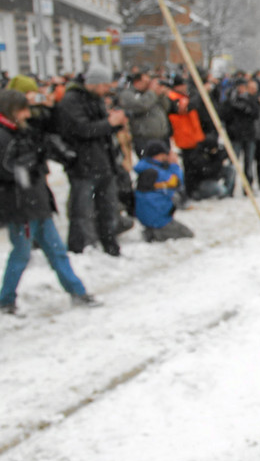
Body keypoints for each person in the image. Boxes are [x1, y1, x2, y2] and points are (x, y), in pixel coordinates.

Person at [0, 91, 98, 315]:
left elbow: (51, 127)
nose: (27, 114)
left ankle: (77, 291)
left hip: (38, 202)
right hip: (20, 207)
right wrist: (28, 163)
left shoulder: (22, 130)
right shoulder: (4, 135)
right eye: (23, 109)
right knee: (22, 254)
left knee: (57, 251)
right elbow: (7, 170)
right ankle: (5, 300)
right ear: (12, 110)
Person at [57, 63, 126, 256]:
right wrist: (108, 124)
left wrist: (115, 125)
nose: (107, 90)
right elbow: (82, 129)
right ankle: (77, 248)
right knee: (81, 211)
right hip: (83, 164)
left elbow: (99, 129)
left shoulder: (95, 99)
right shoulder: (71, 100)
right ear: (94, 83)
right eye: (104, 85)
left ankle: (110, 246)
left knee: (108, 209)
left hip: (103, 160)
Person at [133, 140, 193, 242]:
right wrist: (174, 164)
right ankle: (154, 234)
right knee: (187, 235)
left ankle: (153, 231)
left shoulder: (147, 167)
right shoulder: (154, 171)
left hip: (152, 215)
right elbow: (177, 183)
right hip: (157, 218)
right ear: (158, 155)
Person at [117, 70, 173, 156]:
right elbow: (141, 106)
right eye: (146, 82)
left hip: (162, 137)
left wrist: (161, 95)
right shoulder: (128, 94)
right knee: (151, 167)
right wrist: (151, 92)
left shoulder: (150, 95)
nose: (149, 85)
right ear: (137, 82)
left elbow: (166, 108)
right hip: (145, 139)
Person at [220, 77, 260, 191]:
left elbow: (256, 113)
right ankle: (229, 186)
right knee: (233, 162)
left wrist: (247, 109)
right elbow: (224, 115)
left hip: (249, 135)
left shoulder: (250, 99)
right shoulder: (230, 100)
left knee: (249, 162)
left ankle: (248, 187)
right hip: (235, 135)